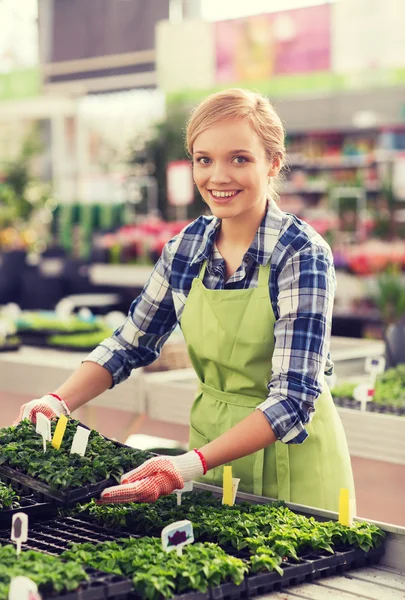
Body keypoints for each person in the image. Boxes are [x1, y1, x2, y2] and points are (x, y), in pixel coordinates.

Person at [14, 88, 355, 510]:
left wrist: (188, 465)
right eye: (204, 159)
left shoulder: (302, 255)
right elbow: (130, 344)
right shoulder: (186, 248)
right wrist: (58, 399)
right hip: (207, 457)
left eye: (240, 158)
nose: (218, 177)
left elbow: (294, 397)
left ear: (273, 162)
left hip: (293, 464)